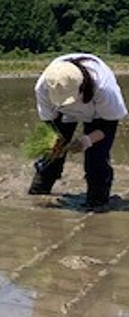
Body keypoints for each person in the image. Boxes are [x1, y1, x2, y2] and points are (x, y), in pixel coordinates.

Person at [29, 53, 127, 208]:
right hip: (61, 114)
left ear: (81, 87)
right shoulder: (45, 86)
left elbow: (108, 127)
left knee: (96, 159)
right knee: (51, 152)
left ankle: (97, 202)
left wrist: (87, 140)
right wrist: (56, 143)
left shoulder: (103, 88)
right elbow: (49, 124)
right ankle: (39, 191)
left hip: (98, 114)